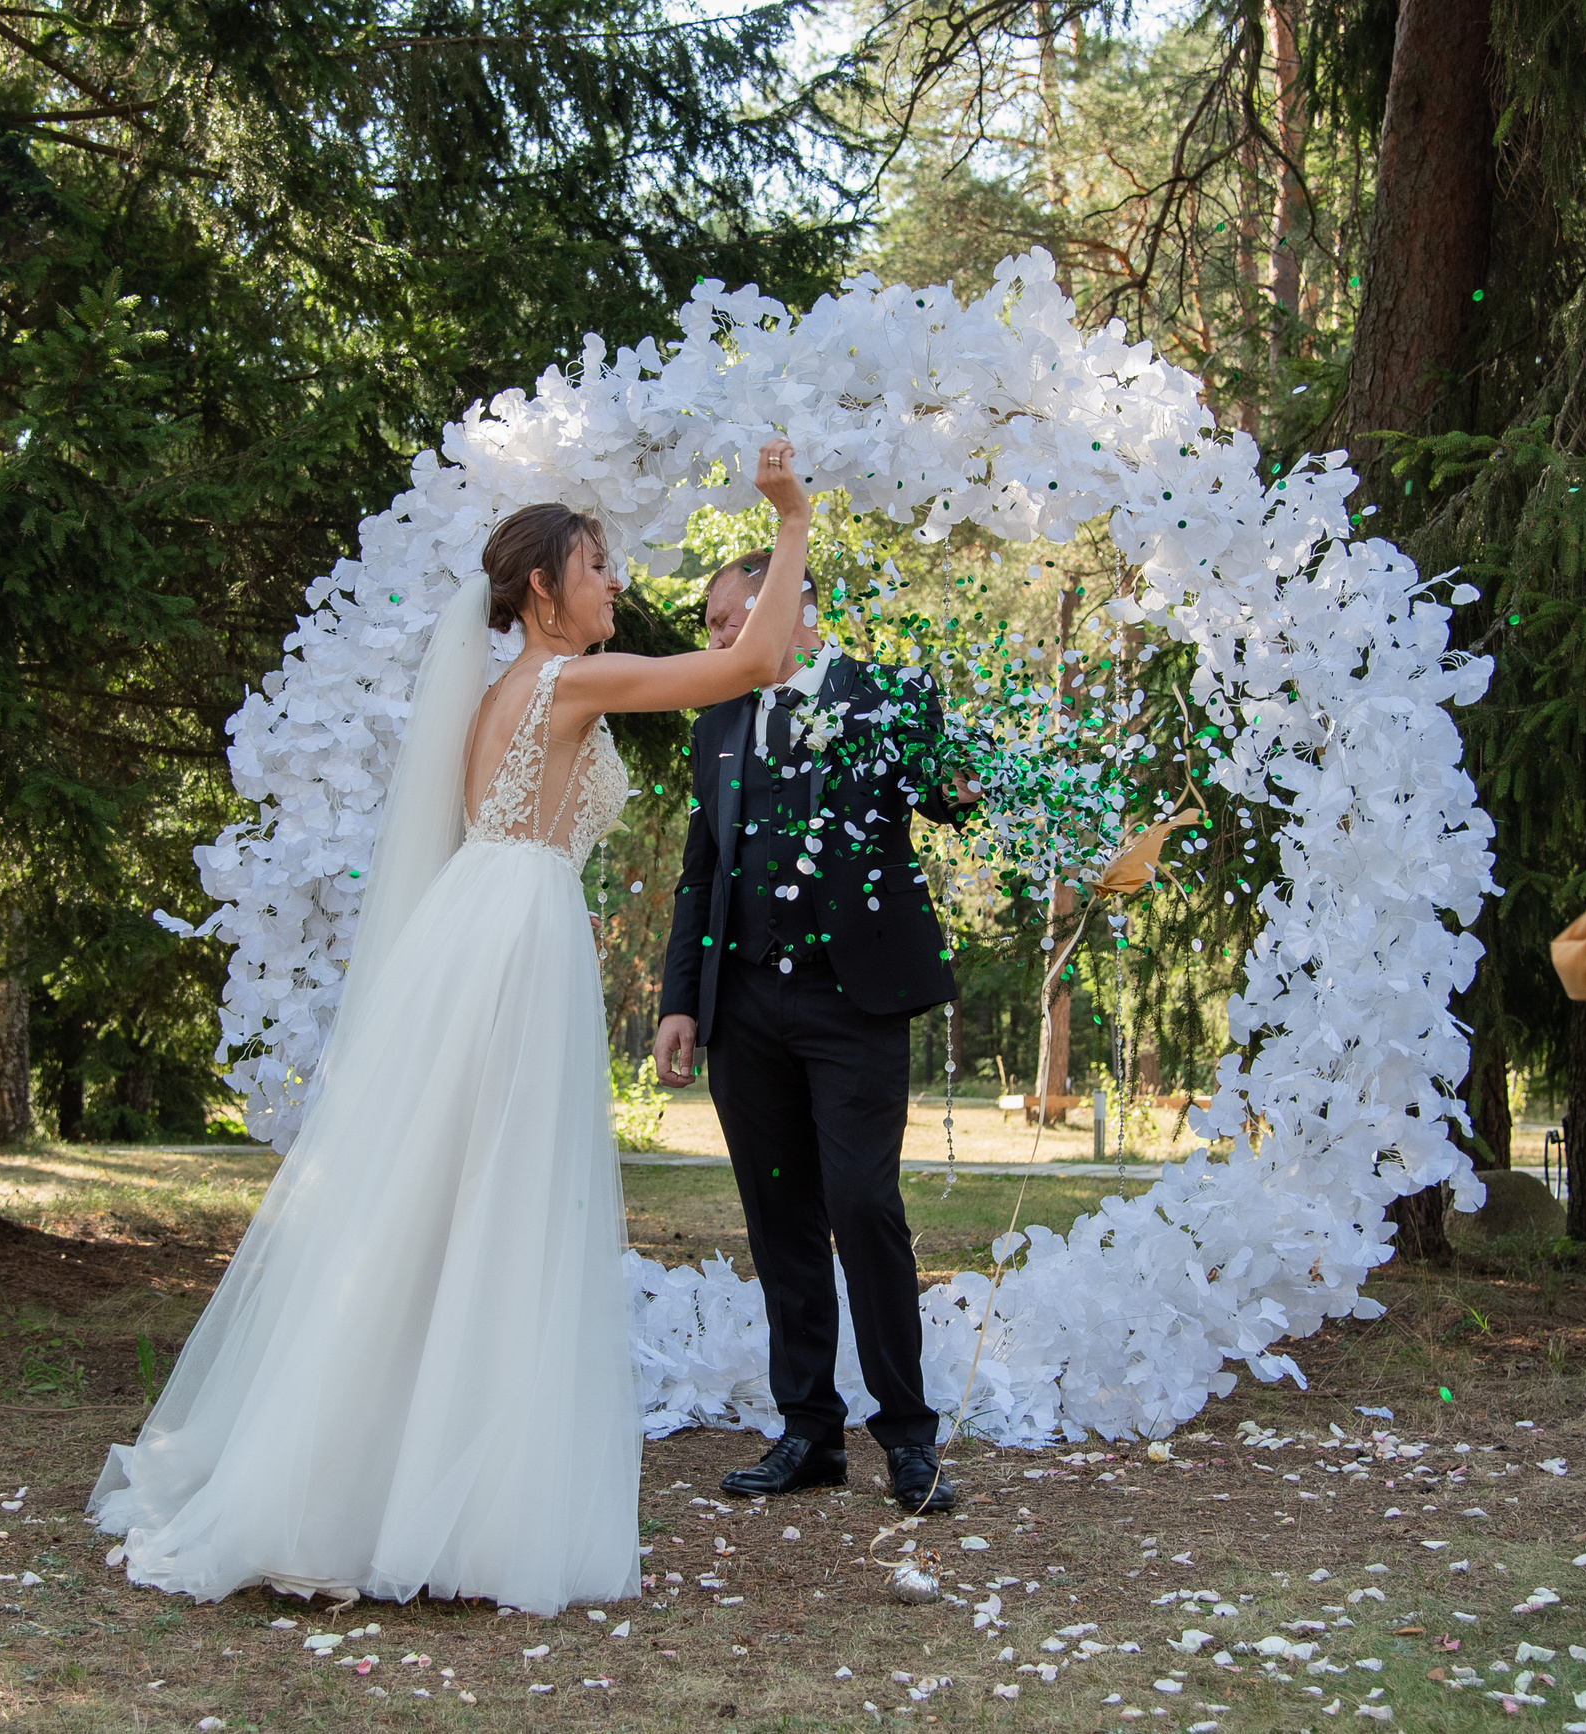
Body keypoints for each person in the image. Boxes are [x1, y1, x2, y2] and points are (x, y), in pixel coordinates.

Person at [88, 442, 816, 1616]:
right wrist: (787, 523)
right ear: (540, 590)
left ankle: (376, 1481)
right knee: (494, 1202)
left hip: (486, 923)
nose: (612, 586)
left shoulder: (498, 696)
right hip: (514, 938)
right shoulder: (568, 681)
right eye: (594, 566)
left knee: (436, 1203)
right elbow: (763, 659)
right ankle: (436, 1498)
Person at [651, 552, 977, 1512]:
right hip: (743, 1006)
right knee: (778, 1219)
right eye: (710, 626)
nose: (711, 642)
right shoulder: (716, 720)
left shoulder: (887, 698)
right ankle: (808, 1433)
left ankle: (910, 1440)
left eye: (723, 622)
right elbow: (700, 873)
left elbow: (952, 797)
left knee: (865, 1206)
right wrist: (681, 1000)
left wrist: (966, 769)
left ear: (791, 609)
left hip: (854, 1003)